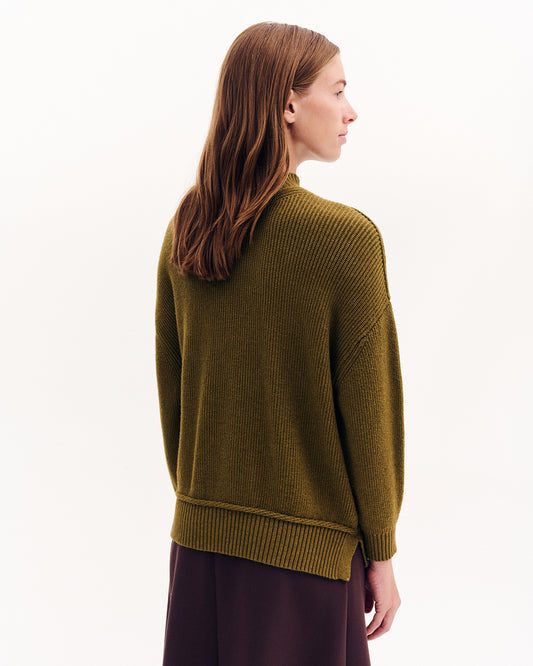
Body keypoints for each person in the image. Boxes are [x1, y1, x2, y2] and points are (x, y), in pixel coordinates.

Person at [155, 21, 404, 666]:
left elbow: (176, 401)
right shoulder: (344, 240)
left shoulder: (189, 229)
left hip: (200, 552)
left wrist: (213, 505)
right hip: (305, 566)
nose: (351, 111)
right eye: (338, 90)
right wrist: (381, 551)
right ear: (289, 105)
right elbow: (369, 417)